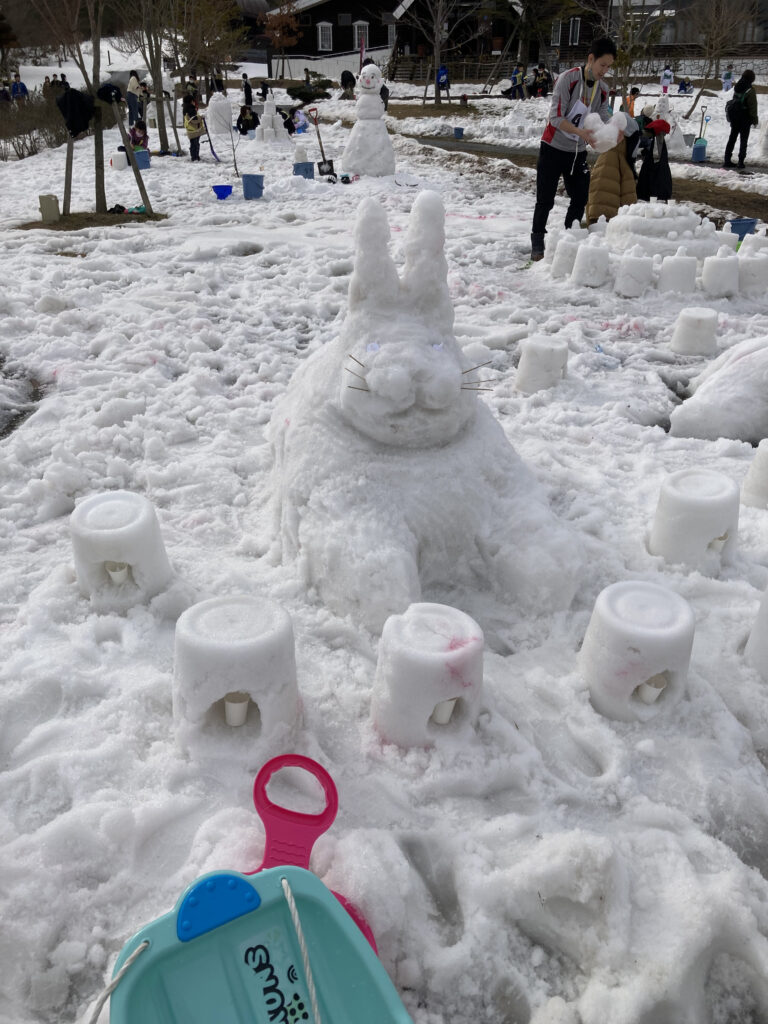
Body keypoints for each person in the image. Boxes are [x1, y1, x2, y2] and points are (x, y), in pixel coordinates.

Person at [530, 36, 617, 261]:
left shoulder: (603, 89)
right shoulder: (568, 80)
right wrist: (581, 133)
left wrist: (615, 127)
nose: (604, 70)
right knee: (545, 199)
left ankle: (570, 236)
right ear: (591, 59)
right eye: (602, 65)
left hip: (577, 152)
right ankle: (538, 240)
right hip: (553, 147)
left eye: (609, 66)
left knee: (580, 196)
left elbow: (602, 116)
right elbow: (555, 117)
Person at [723, 69, 758, 170]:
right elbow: (753, 107)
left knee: (732, 138)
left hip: (734, 117)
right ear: (752, 78)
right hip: (745, 118)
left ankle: (727, 160)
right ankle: (740, 162)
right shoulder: (750, 90)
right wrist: (755, 120)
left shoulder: (737, 86)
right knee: (744, 140)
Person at [636, 116, 672, 202]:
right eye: (665, 133)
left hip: (653, 170)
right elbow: (656, 158)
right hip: (657, 170)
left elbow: (655, 158)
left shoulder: (656, 139)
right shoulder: (658, 140)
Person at [183, 96, 204, 162]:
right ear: (191, 101)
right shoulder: (191, 108)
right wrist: (201, 118)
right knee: (195, 144)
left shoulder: (186, 107)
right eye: (193, 101)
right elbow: (194, 119)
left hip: (190, 128)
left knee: (193, 143)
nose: (194, 102)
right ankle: (195, 157)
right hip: (194, 129)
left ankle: (194, 156)